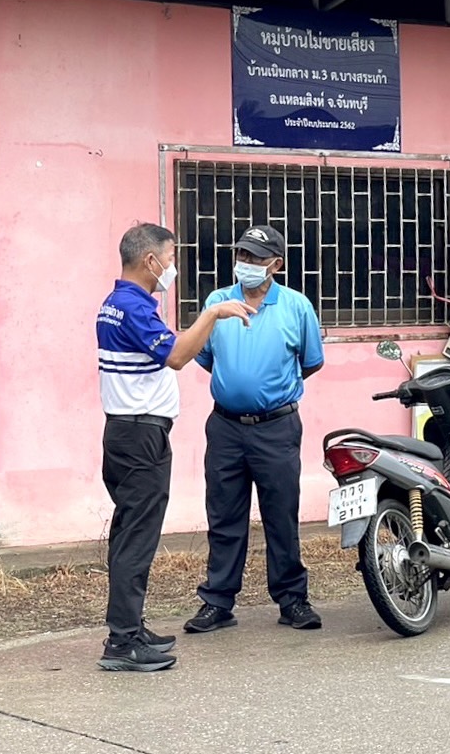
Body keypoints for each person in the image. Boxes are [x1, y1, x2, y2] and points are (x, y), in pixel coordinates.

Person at [96, 222, 254, 672]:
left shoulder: (117, 304)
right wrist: (213, 313)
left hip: (129, 433)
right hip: (139, 437)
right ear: (150, 261)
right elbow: (178, 357)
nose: (172, 267)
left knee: (131, 531)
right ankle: (123, 642)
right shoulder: (133, 308)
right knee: (137, 538)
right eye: (169, 258)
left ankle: (130, 626)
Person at [184, 224, 325, 634]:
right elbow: (206, 357)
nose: (245, 265)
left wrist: (270, 389)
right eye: (242, 256)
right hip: (226, 427)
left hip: (276, 428)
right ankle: (217, 602)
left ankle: (292, 600)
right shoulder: (216, 303)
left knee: (282, 515)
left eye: (256, 259)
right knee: (224, 516)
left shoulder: (296, 306)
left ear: (276, 265)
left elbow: (311, 361)